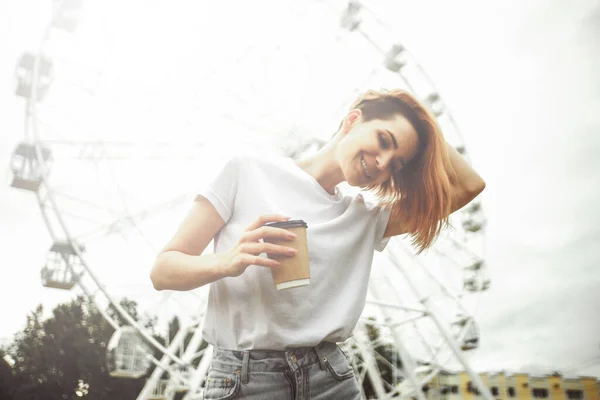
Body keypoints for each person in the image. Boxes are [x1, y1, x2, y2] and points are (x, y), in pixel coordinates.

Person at [150, 88, 486, 399]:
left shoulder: (365, 219)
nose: (383, 162)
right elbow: (163, 270)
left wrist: (424, 127)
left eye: (396, 164)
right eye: (384, 140)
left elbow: (469, 185)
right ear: (353, 120)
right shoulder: (246, 172)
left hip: (331, 378)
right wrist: (228, 261)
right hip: (244, 380)